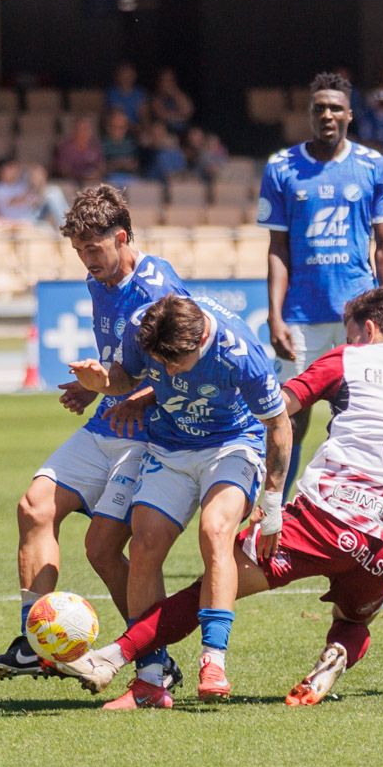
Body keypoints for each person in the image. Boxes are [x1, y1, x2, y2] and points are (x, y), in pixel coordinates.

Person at [55, 287, 383, 705]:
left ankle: (113, 656)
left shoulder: (347, 360)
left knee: (213, 586)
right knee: (354, 622)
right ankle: (336, 654)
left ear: (368, 329)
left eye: (352, 332)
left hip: (322, 520)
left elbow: (282, 408)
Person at [0, 186, 189, 687]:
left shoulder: (159, 287)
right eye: (78, 251)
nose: (86, 260)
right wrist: (94, 388)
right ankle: (35, 644)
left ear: (122, 237)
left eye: (94, 249)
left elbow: (184, 365)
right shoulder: (101, 281)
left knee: (102, 548)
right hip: (111, 420)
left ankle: (153, 657)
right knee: (34, 507)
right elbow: (124, 366)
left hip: (149, 433)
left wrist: (133, 392)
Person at [69, 293, 292, 706]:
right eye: (163, 364)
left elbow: (279, 426)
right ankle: (151, 681)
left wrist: (274, 502)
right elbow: (128, 377)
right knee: (145, 544)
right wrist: (102, 383)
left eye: (175, 364)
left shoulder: (240, 353)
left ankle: (214, 660)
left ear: (199, 341)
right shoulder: (145, 326)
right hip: (169, 446)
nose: (167, 372)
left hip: (231, 445)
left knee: (216, 531)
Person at [258, 71, 383, 502]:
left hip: (358, 318)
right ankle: (272, 513)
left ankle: (359, 513)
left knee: (358, 418)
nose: (327, 114)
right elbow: (277, 248)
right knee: (287, 416)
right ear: (309, 113)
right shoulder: (281, 168)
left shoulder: (374, 167)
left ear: (350, 115)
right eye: (319, 107)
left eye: (335, 107)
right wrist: (275, 315)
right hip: (301, 317)